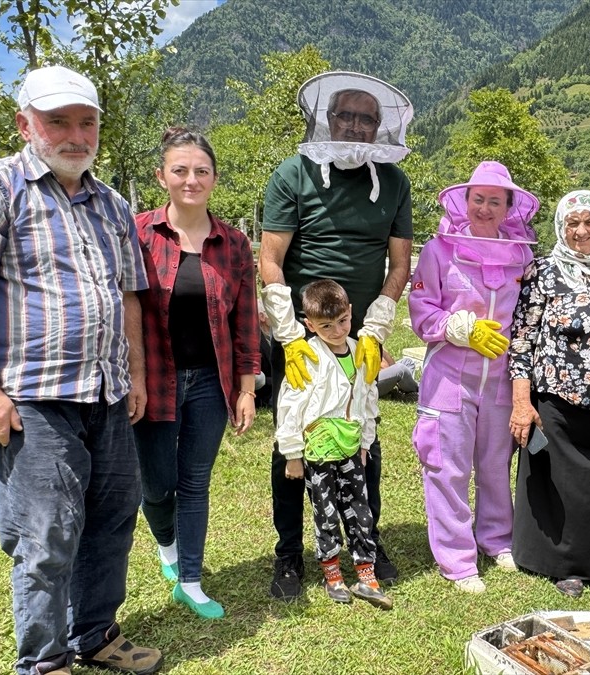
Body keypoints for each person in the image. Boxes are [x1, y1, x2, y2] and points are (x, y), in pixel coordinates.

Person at [0, 65, 161, 675]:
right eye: (57, 120)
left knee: (112, 521)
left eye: (86, 122)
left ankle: (94, 636)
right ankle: (44, 660)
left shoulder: (111, 203)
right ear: (24, 123)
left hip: (107, 394)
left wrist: (136, 376)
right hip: (33, 397)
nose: (74, 134)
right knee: (46, 535)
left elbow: (130, 296)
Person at [259, 71, 413, 599]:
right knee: (293, 444)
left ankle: (365, 542)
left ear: (379, 128)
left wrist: (374, 328)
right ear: (327, 119)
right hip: (303, 336)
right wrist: (289, 337)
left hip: (358, 337)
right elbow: (271, 260)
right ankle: (288, 555)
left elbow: (399, 264)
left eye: (366, 118)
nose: (355, 125)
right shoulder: (291, 174)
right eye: (345, 115)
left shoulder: (394, 182)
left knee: (361, 438)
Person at [132, 128, 259, 621]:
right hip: (153, 380)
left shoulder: (234, 244)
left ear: (214, 178)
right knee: (157, 485)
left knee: (195, 481)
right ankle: (166, 545)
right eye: (180, 170)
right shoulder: (139, 233)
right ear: (162, 176)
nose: (191, 179)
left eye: (201, 171)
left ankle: (190, 579)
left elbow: (245, 320)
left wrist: (246, 388)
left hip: (209, 381)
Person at [409, 161, 540, 593]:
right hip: (450, 376)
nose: (485, 208)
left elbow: (529, 315)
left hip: (502, 378)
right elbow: (422, 311)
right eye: (478, 199)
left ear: (508, 208)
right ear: (465, 202)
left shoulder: (523, 254)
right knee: (447, 466)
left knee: (494, 464)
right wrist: (460, 328)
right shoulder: (438, 250)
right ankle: (457, 559)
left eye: (494, 201)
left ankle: (497, 540)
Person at [508, 190, 590, 599]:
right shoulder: (543, 271)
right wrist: (521, 402)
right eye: (572, 223)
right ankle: (563, 566)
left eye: (589, 221)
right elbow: (522, 339)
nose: (581, 231)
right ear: (561, 227)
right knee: (559, 485)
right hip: (555, 399)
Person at [261, 279, 393, 609]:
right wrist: (292, 454)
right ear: (309, 324)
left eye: (342, 321)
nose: (336, 331)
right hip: (318, 453)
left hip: (350, 449)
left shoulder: (362, 351)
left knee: (360, 510)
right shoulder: (307, 356)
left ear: (351, 313)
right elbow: (290, 406)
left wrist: (364, 443)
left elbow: (367, 399)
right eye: (325, 325)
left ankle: (365, 572)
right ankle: (332, 573)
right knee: (326, 512)